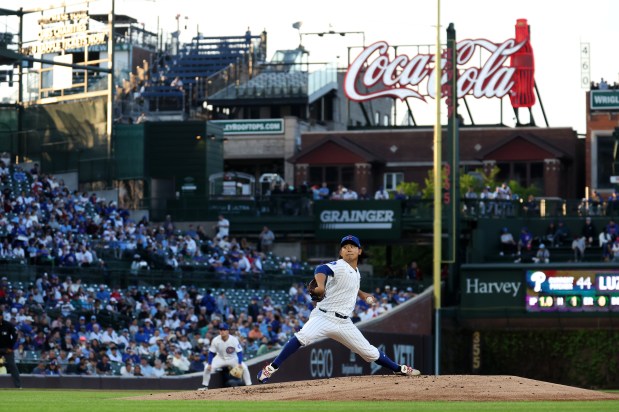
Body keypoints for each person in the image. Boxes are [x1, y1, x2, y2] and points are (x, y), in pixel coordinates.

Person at [256, 235, 420, 384]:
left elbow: (351, 287)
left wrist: (362, 295)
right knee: (303, 336)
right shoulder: (340, 266)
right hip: (323, 317)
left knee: (369, 353)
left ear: (360, 251)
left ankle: (399, 369)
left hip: (344, 323)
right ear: (341, 252)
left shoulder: (355, 272)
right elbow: (321, 269)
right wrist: (320, 285)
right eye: (345, 246)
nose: (349, 248)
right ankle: (270, 369)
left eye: (353, 246)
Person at [198, 323, 252, 390]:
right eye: (221, 330)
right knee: (206, 368)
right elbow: (211, 353)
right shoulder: (215, 340)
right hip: (220, 358)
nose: (222, 331)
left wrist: (240, 363)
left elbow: (239, 352)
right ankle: (204, 386)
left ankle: (249, 385)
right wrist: (209, 363)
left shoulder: (233, 339)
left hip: (232, 358)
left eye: (224, 330)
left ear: (227, 331)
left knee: (244, 367)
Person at [0, 316, 22, 388]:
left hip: (7, 349)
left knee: (12, 365)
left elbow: (15, 335)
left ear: (1, 316)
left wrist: (10, 347)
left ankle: (18, 386)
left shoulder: (8, 325)